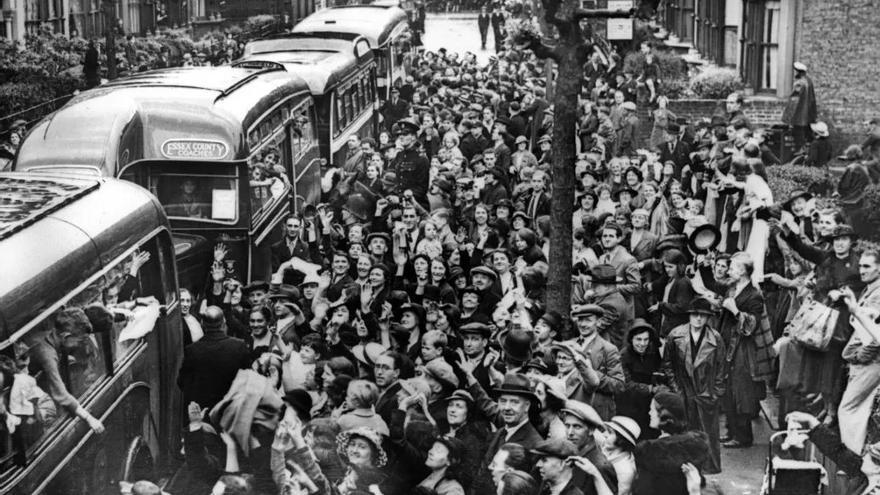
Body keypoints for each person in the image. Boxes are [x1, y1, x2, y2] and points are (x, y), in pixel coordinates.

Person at [661, 297, 727, 474]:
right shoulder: (675, 335)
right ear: (689, 316)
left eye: (703, 316)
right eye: (695, 315)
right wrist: (676, 389)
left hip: (706, 391)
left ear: (708, 318)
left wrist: (716, 392)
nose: (698, 319)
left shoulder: (716, 338)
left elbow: (722, 366)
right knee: (684, 430)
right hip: (683, 389)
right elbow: (667, 365)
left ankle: (706, 467)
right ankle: (683, 467)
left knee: (706, 432)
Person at [177, 306, 252, 410]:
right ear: (223, 322)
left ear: (202, 324)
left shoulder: (192, 350)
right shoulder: (239, 346)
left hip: (204, 411)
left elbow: (182, 382)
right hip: (230, 410)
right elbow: (248, 380)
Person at [784, 62, 818, 153]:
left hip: (799, 116)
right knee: (808, 136)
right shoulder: (809, 81)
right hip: (808, 115)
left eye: (796, 71)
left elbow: (794, 101)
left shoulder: (799, 83)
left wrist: (788, 118)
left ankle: (800, 153)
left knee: (798, 137)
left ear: (799, 72)